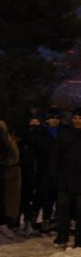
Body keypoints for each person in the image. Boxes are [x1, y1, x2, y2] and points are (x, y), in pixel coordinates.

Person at [52, 106, 81, 248]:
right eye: (75, 118)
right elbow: (56, 155)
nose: (77, 121)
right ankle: (62, 236)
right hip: (65, 178)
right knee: (63, 209)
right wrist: (55, 174)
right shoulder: (65, 134)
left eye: (80, 118)